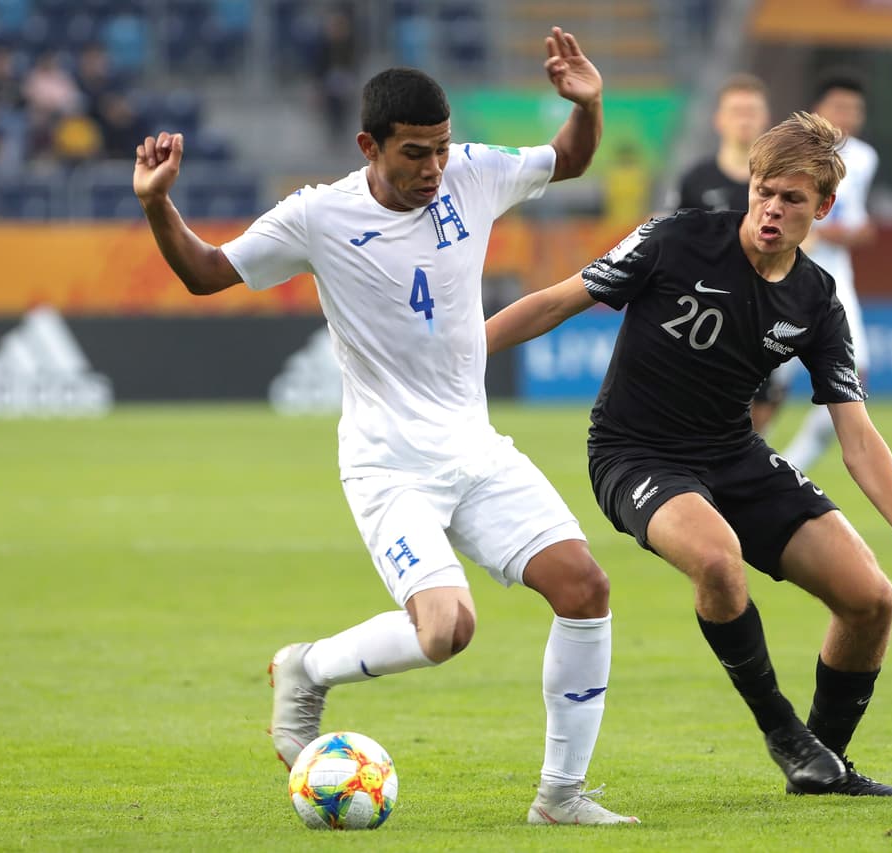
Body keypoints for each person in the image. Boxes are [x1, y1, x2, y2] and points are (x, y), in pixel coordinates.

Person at [132, 28, 638, 826]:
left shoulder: (472, 173)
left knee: (586, 587)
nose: (434, 169)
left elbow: (568, 159)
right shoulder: (317, 216)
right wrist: (158, 203)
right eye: (414, 154)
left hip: (477, 451)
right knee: (447, 630)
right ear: (369, 145)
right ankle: (308, 667)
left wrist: (589, 105)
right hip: (389, 467)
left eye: (439, 150)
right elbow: (203, 273)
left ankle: (561, 797)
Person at [486, 112, 892, 798]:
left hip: (733, 455)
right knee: (717, 559)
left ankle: (821, 766)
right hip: (636, 453)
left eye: (793, 199)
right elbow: (557, 301)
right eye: (764, 191)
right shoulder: (677, 236)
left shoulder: (816, 299)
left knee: (871, 600)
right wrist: (461, 352)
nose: (773, 209)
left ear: (824, 208)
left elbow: (856, 434)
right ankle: (783, 733)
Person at [751, 71, 877, 466]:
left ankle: (789, 468)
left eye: (855, 109)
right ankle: (744, 465)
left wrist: (834, 234)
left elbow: (857, 226)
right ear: (818, 110)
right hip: (783, 279)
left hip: (836, 284)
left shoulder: (864, 158)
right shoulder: (788, 154)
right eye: (840, 107)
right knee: (766, 389)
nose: (848, 116)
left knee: (854, 381)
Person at [667, 73, 770, 213]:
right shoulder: (695, 180)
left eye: (751, 112)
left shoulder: (780, 181)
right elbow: (674, 230)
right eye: (736, 111)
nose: (744, 120)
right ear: (719, 119)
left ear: (765, 118)